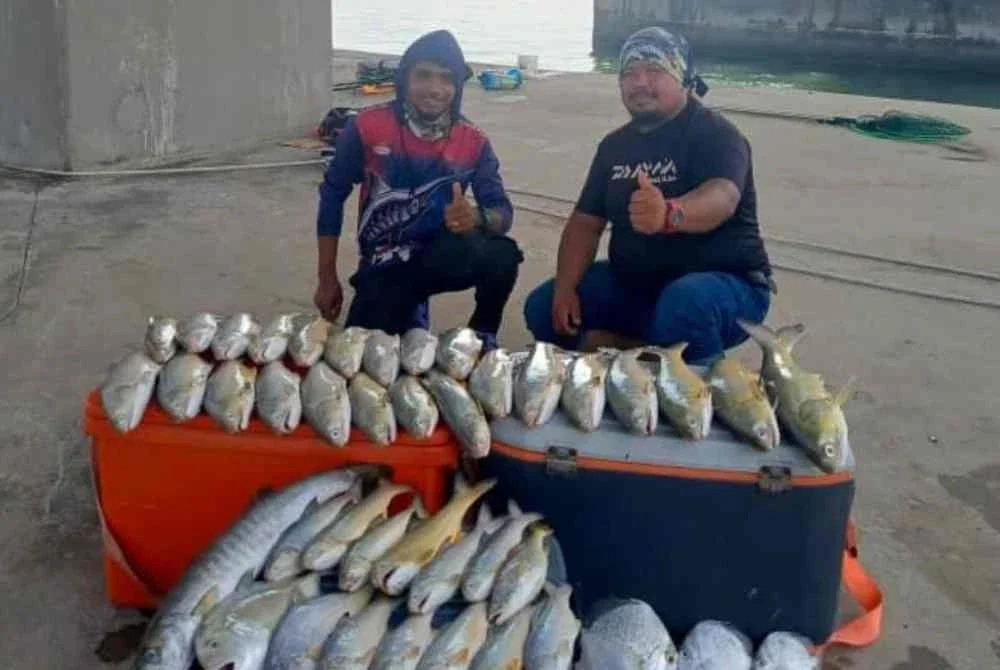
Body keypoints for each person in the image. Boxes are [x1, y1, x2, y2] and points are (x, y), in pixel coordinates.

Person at [522, 27, 774, 364]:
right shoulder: (614, 146)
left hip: (726, 288)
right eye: (629, 73)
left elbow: (722, 197)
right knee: (543, 309)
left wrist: (670, 214)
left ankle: (697, 380)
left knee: (684, 304)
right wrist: (566, 288)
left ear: (683, 77)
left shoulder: (716, 133)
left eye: (655, 71)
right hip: (638, 288)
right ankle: (642, 348)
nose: (640, 82)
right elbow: (585, 223)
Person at [313, 29, 523, 348]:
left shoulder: (474, 142)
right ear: (404, 80)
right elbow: (332, 196)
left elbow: (503, 213)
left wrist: (477, 217)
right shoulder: (366, 127)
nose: (434, 89)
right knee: (364, 353)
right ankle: (408, 308)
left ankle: (483, 338)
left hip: (440, 255)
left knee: (503, 255)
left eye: (446, 78)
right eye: (423, 76)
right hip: (383, 265)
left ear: (457, 86)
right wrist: (327, 278)